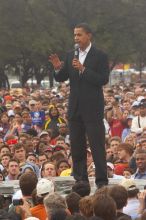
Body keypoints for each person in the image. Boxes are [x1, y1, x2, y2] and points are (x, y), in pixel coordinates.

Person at [49, 23, 109, 187]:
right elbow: (62, 77)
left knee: (97, 146)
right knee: (77, 146)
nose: (76, 38)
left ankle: (102, 181)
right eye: (75, 35)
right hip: (75, 107)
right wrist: (57, 68)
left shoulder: (100, 56)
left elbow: (103, 79)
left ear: (89, 35)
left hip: (93, 108)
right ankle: (81, 180)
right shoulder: (70, 55)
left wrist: (83, 69)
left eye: (79, 35)